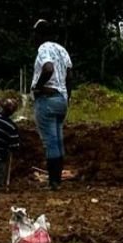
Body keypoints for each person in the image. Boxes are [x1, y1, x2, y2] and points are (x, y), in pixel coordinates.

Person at [31, 19, 72, 189]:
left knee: (51, 142)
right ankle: (57, 180)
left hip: (47, 100)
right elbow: (70, 76)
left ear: (39, 34)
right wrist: (66, 97)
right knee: (58, 140)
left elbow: (48, 68)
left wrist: (38, 87)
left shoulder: (44, 48)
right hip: (61, 100)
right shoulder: (62, 50)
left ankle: (54, 182)